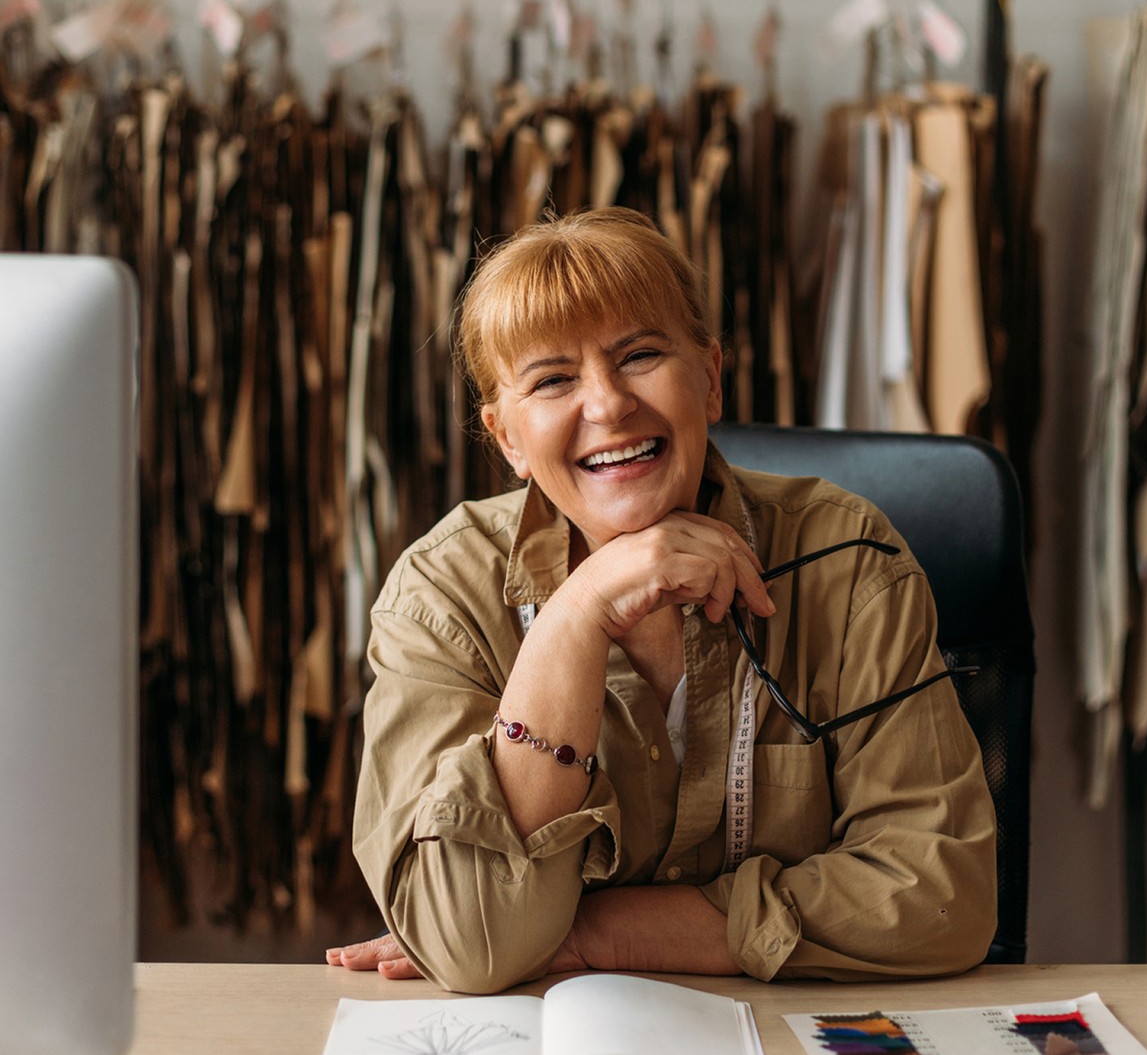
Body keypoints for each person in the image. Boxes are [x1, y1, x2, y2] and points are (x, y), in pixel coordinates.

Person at [326, 208, 996, 993]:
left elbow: (941, 895)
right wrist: (578, 615)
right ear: (507, 437)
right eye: (552, 379)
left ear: (710, 378)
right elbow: (475, 944)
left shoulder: (851, 565)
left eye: (639, 355)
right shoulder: (440, 596)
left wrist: (593, 932)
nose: (608, 405)